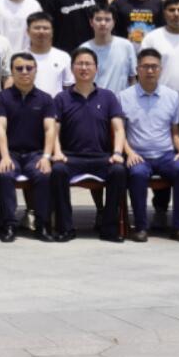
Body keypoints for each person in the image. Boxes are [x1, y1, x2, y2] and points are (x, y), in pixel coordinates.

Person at [47, 49, 128, 242]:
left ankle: (109, 228)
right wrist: (57, 152)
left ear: (96, 69)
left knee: (118, 171)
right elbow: (54, 130)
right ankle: (65, 228)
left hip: (102, 157)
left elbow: (118, 129)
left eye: (88, 64)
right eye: (80, 64)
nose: (84, 68)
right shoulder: (61, 98)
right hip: (71, 157)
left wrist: (117, 152)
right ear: (72, 68)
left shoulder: (108, 97)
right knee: (57, 171)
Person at [120, 47, 179, 242]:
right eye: (145, 66)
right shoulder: (124, 97)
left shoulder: (172, 96)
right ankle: (141, 227)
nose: (150, 71)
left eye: (154, 67)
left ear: (161, 70)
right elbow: (120, 132)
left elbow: (175, 130)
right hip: (138, 154)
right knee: (137, 174)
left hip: (165, 155)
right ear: (137, 69)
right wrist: (129, 153)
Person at [0, 51, 55, 242]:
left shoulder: (45, 99)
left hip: (36, 154)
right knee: (4, 174)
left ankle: (42, 225)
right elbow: (0, 128)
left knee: (44, 175)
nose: (25, 72)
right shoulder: (2, 98)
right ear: (12, 72)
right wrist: (4, 157)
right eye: (19, 68)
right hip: (10, 153)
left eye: (29, 68)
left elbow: (50, 129)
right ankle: (9, 225)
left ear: (36, 70)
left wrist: (46, 157)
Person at [79, 8, 135, 93]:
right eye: (98, 19)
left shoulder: (126, 46)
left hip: (121, 100)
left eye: (107, 20)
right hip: (92, 100)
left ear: (114, 22)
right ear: (91, 22)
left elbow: (132, 78)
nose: (103, 23)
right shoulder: (83, 49)